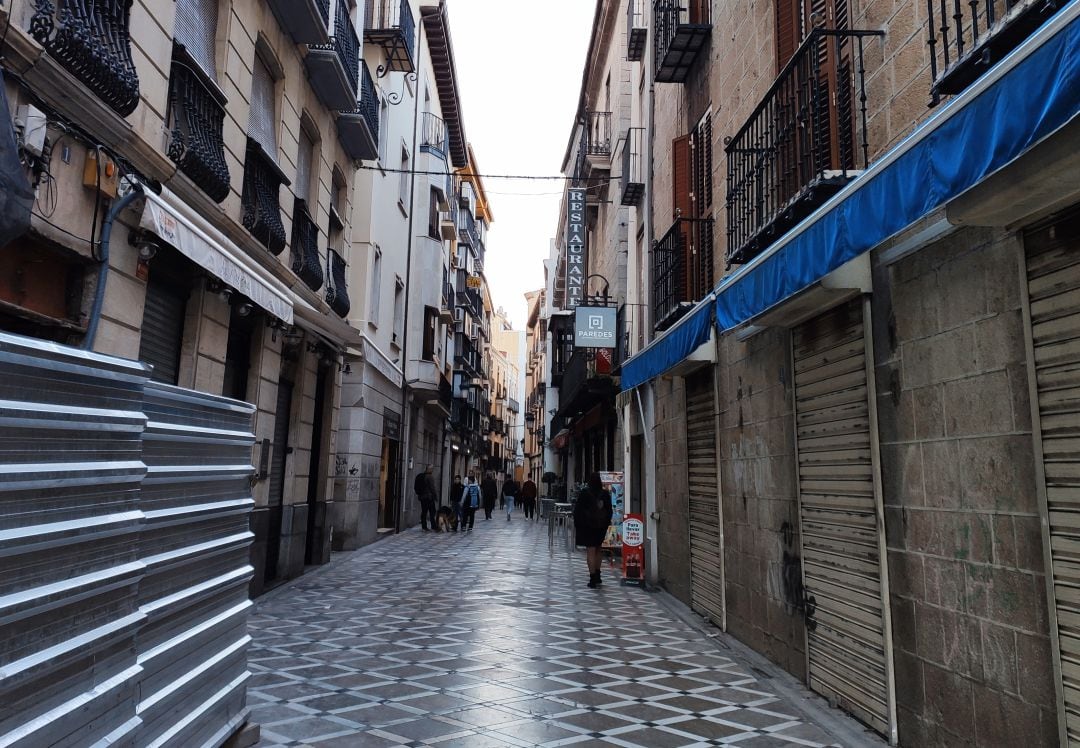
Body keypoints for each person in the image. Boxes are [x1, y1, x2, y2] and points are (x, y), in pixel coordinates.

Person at [574, 472, 613, 588]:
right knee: (598, 550)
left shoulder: (584, 493)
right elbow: (609, 511)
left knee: (590, 551)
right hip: (601, 527)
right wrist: (605, 524)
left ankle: (592, 579)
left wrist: (579, 526)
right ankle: (598, 575)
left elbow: (578, 511)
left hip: (588, 527)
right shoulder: (605, 494)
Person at [414, 465, 438, 532]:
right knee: (432, 511)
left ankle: (424, 527)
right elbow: (432, 488)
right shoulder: (429, 477)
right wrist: (435, 497)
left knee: (424, 511)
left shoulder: (421, 476)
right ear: (429, 469)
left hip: (422, 497)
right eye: (432, 469)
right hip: (429, 497)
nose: (432, 470)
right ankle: (433, 526)